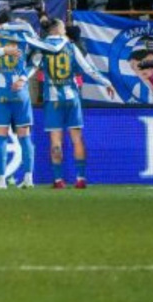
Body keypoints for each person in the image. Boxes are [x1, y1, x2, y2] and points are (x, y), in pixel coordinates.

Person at [30, 19, 115, 189]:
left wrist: (22, 79)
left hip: (52, 98)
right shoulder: (70, 46)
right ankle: (81, 179)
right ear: (57, 29)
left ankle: (58, 180)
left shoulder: (42, 47)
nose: (65, 29)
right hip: (71, 97)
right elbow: (88, 68)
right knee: (77, 139)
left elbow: (32, 67)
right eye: (62, 27)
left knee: (55, 141)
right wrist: (106, 82)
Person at [0, 13, 60, 189]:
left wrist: (2, 50)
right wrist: (23, 78)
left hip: (0, 93)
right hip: (20, 92)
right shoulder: (25, 37)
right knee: (25, 137)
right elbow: (37, 59)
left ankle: (1, 181)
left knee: (1, 137)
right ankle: (29, 178)